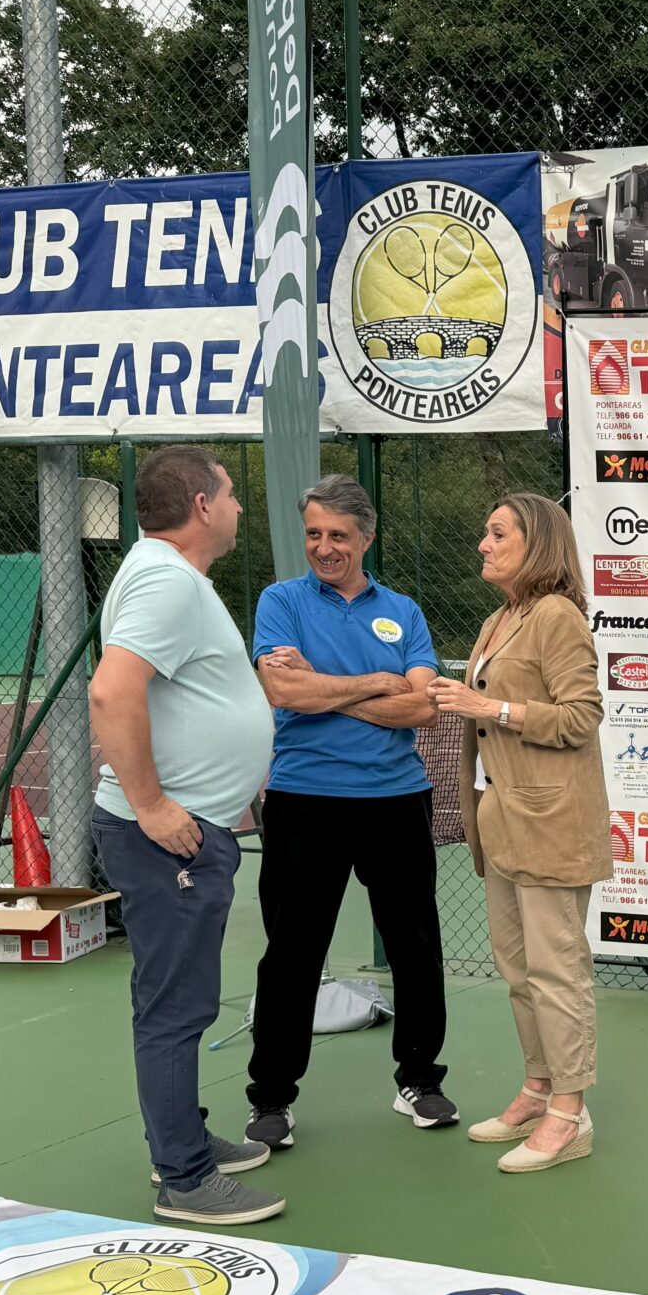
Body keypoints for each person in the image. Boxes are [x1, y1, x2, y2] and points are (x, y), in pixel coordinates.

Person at [87, 446, 281, 1225]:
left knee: (178, 999)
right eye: (230, 494)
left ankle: (183, 1136)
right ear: (202, 505)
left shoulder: (162, 576)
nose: (236, 507)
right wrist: (154, 806)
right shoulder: (168, 581)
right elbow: (111, 691)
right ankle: (185, 1178)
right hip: (170, 837)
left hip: (184, 831)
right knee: (176, 1006)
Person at [242, 475, 453, 1148]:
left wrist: (321, 688)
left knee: (415, 947)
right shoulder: (281, 602)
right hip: (305, 799)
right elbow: (280, 687)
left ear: (366, 536)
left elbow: (422, 705)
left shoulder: (405, 612)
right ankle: (271, 1097)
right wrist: (369, 684)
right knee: (292, 953)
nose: (324, 548)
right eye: (313, 534)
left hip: (396, 799)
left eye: (338, 535)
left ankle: (419, 1080)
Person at [432, 493, 613, 1174]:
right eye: (486, 530)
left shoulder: (558, 617)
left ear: (535, 543)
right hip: (502, 822)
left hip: (550, 826)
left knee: (556, 971)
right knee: (519, 970)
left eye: (497, 531)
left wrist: (492, 707)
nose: (483, 543)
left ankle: (571, 1112)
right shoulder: (502, 617)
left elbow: (580, 717)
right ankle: (538, 1087)